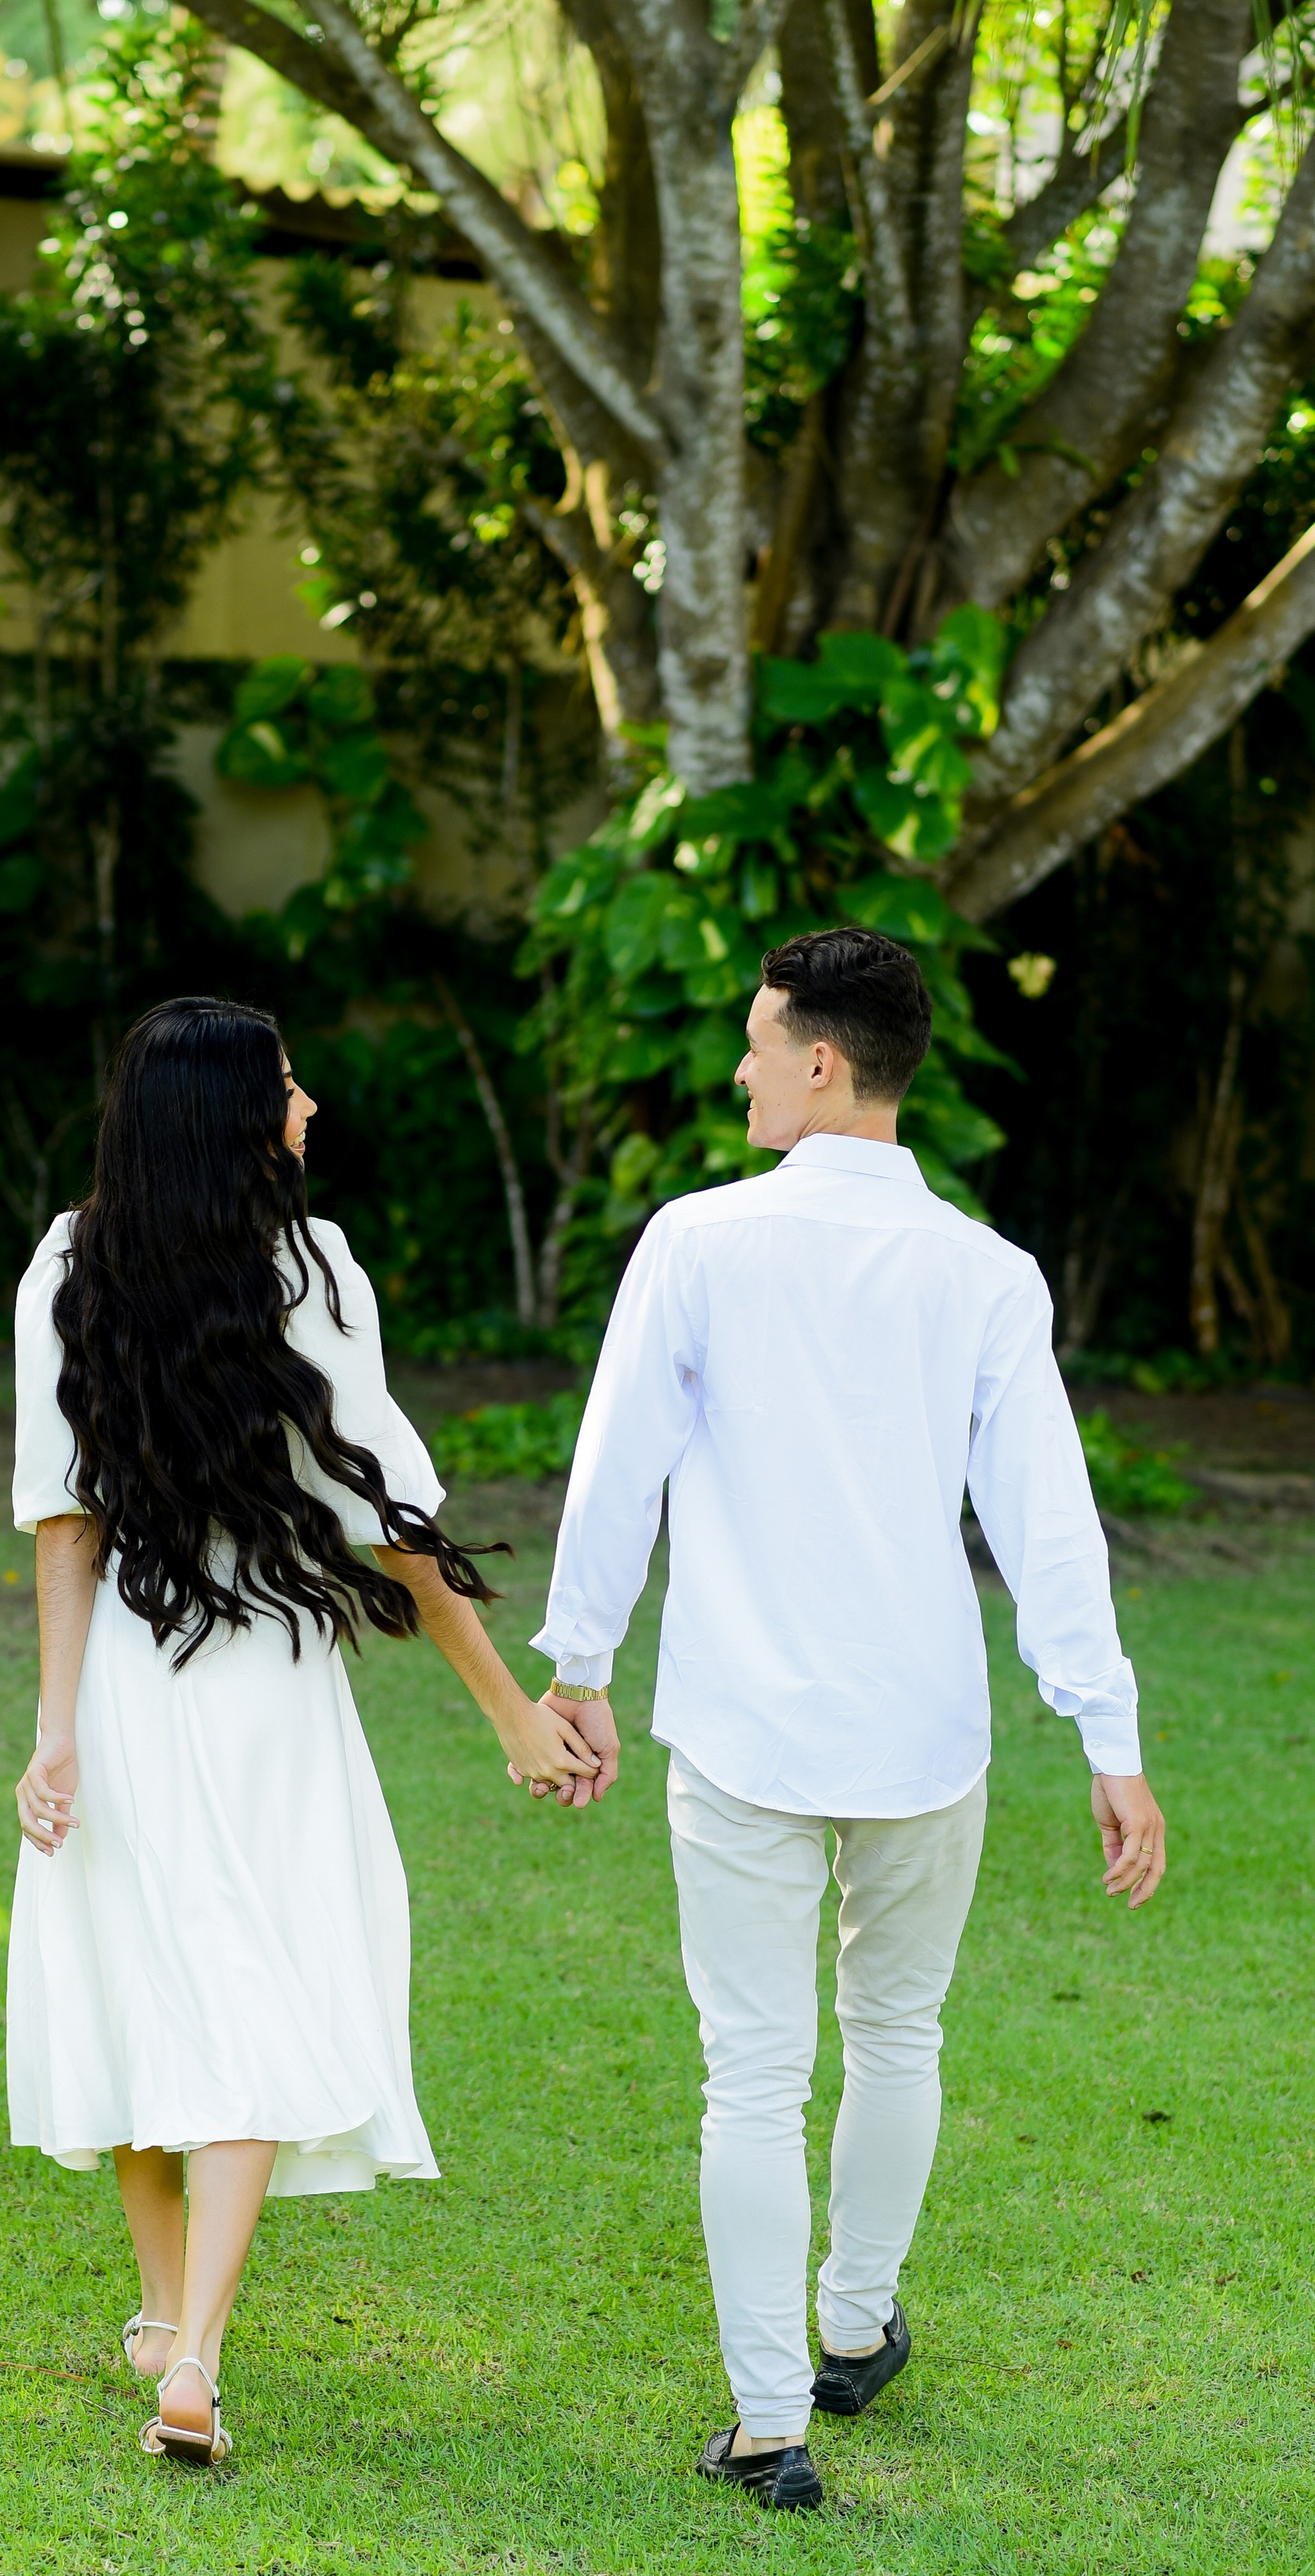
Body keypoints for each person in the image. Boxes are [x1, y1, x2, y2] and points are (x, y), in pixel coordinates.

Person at [529, 926, 1166, 2512]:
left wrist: (577, 1665)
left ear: (823, 1062)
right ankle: (852, 2322)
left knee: (749, 2073)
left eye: (756, 1041)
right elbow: (1047, 1524)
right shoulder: (984, 1273)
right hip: (918, 1732)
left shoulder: (695, 1241)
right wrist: (1106, 1737)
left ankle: (770, 2416)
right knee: (895, 2036)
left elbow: (615, 1470)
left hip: (744, 1725)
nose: (738, 1067)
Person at [7, 996, 603, 2466]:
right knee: (252, 1986)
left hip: (131, 1682)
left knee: (144, 1980)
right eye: (284, 1083)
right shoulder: (312, 1268)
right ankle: (186, 2342)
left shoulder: (65, 1269)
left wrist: (54, 1728)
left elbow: (62, 1524)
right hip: (267, 1679)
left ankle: (171, 2328)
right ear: (227, 1115)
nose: (309, 1103)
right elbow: (395, 1524)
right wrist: (508, 1712)